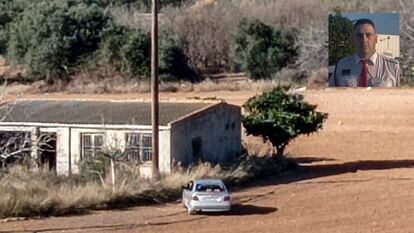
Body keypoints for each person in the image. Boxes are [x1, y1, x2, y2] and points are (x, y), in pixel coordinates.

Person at [329, 18, 400, 87]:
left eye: (368, 35)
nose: (364, 39)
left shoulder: (393, 68)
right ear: (353, 39)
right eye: (359, 35)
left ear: (376, 39)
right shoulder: (341, 66)